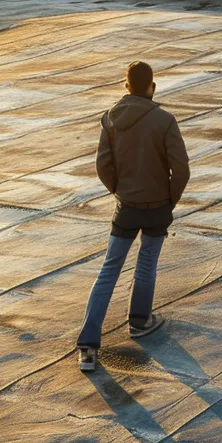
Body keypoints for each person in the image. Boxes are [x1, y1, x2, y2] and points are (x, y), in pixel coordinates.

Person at [77, 61, 190, 372]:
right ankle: (139, 320)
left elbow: (103, 165)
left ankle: (87, 346)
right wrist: (169, 200)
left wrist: (120, 190)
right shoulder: (165, 121)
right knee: (147, 263)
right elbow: (181, 169)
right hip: (157, 207)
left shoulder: (110, 120)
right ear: (152, 87)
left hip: (126, 205)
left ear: (126, 87)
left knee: (109, 269)